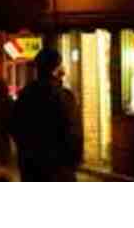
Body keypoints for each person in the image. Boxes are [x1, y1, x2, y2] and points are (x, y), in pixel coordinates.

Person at [11, 48, 83, 181]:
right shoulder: (64, 96)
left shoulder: (25, 95)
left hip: (32, 164)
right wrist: (73, 160)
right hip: (59, 165)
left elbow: (16, 128)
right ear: (57, 69)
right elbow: (73, 131)